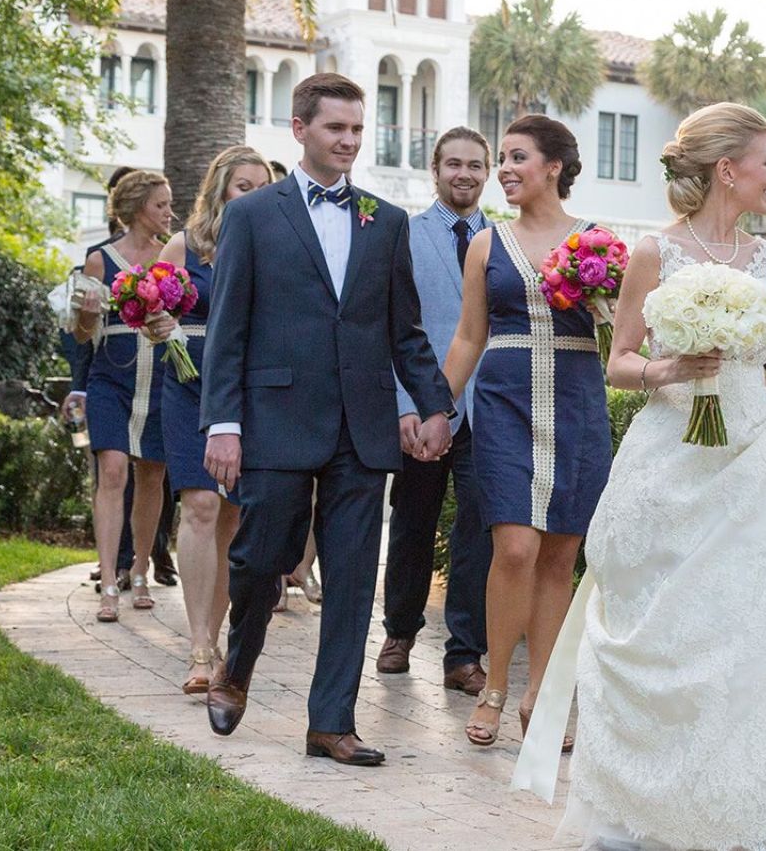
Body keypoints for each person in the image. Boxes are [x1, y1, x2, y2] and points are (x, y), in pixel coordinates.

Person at [516, 102, 766, 851]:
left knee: (754, 634)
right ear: (727, 169)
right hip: (673, 460)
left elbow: (753, 366)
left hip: (755, 458)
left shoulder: (765, 258)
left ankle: (753, 806)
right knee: (669, 637)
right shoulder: (654, 253)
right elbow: (620, 364)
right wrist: (670, 367)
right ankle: (648, 809)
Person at [199, 73, 454, 767]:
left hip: (363, 425)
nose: (347, 141)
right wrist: (223, 421)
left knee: (349, 575)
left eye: (355, 129)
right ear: (300, 128)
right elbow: (227, 329)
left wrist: (435, 404)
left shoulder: (386, 220)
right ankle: (237, 665)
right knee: (257, 561)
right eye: (335, 127)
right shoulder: (253, 216)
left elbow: (405, 331)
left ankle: (330, 722)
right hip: (275, 416)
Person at [438, 114, 610, 749]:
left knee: (559, 556)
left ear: (554, 167)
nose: (504, 169)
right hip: (506, 405)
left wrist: (612, 308)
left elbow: (623, 334)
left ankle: (543, 694)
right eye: (501, 159)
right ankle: (494, 688)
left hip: (577, 405)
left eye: (517, 158)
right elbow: (467, 336)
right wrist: (437, 408)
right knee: (513, 547)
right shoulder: (485, 245)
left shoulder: (600, 243)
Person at [140, 146, 272, 694]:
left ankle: (217, 640)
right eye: (244, 186)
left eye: (261, 187)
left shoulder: (274, 247)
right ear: (220, 190)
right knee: (197, 503)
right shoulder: (184, 245)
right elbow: (151, 307)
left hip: (246, 390)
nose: (253, 196)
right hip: (187, 385)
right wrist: (157, 322)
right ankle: (198, 647)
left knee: (232, 519)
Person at [377, 126, 495, 695]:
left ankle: (463, 654)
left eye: (475, 165)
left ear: (488, 172)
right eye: (454, 164)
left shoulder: (503, 241)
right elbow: (393, 327)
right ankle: (399, 631)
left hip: (488, 410)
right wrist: (407, 405)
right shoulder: (405, 234)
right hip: (424, 406)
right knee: (413, 524)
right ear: (435, 169)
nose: (464, 174)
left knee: (478, 527)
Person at [73, 170, 175, 623]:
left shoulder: (171, 257)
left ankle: (140, 570)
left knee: (152, 477)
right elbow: (80, 334)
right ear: (136, 209)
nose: (169, 213)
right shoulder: (100, 260)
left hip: (158, 380)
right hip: (110, 381)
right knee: (112, 471)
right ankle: (110, 579)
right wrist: (85, 314)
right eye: (161, 205)